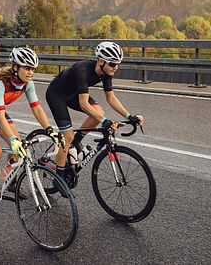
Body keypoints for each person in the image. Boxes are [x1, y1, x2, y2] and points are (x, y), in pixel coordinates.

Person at [0, 47, 62, 198]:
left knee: (19, 146)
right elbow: (0, 116)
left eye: (33, 69)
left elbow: (37, 108)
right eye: (27, 68)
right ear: (15, 67)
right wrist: (11, 140)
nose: (31, 72)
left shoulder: (28, 83)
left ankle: (9, 180)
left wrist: (50, 129)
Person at [45, 41, 143, 185]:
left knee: (98, 112)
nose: (116, 67)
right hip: (56, 95)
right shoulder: (83, 70)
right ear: (101, 61)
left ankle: (75, 143)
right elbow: (84, 104)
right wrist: (105, 121)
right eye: (113, 64)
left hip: (73, 94)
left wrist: (129, 116)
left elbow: (111, 97)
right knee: (67, 135)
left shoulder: (106, 72)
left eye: (118, 64)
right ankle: (58, 177)